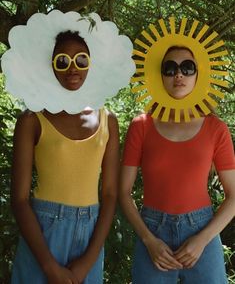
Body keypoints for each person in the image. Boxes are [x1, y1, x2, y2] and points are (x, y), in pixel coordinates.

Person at [10, 30, 119, 284]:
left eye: (81, 60)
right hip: (42, 234)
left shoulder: (107, 120)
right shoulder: (32, 119)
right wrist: (48, 266)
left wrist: (87, 263)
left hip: (90, 236)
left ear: (92, 64)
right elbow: (19, 198)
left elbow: (111, 194)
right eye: (62, 61)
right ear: (51, 65)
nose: (73, 68)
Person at [119, 46, 235, 283]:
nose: (178, 75)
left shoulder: (216, 129)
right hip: (152, 233)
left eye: (187, 67)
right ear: (159, 75)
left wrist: (202, 240)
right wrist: (149, 240)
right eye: (169, 68)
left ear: (198, 75)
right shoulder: (141, 126)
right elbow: (122, 193)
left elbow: (234, 196)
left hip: (202, 232)